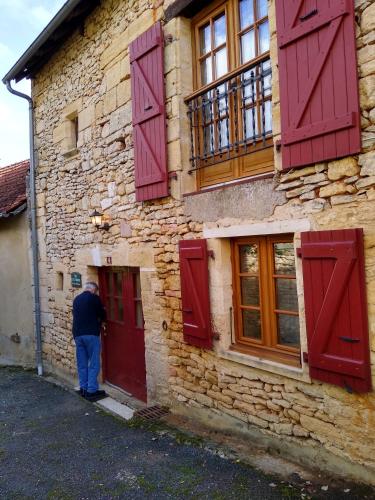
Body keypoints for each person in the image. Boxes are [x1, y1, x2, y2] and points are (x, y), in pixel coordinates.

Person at [72, 282, 107, 402]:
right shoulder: (94, 298)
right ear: (94, 290)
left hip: (78, 335)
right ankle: (91, 390)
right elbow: (102, 313)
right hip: (91, 334)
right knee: (94, 362)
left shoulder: (76, 299)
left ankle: (83, 388)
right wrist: (103, 320)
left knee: (82, 363)